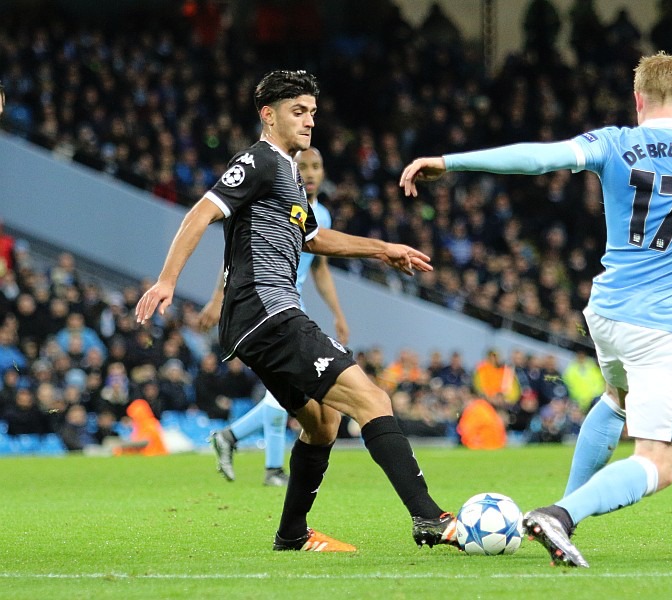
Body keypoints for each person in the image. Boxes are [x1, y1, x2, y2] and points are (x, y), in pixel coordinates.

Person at [400, 52, 672, 567]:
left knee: (616, 397)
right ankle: (560, 515)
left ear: (637, 100)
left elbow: (538, 158)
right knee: (660, 462)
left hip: (607, 311)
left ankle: (563, 516)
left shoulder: (614, 142)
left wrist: (450, 162)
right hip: (661, 327)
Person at [135, 70, 458, 553]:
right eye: (297, 111)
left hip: (255, 320)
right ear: (268, 115)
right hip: (268, 310)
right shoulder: (258, 160)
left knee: (322, 423)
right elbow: (201, 211)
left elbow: (314, 239)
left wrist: (382, 249)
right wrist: (167, 279)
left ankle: (291, 534)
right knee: (371, 399)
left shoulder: (288, 172)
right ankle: (428, 517)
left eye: (312, 112)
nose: (309, 121)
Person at [202, 146, 350, 488]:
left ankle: (235, 441)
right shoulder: (274, 201)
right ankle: (266, 465)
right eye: (304, 166)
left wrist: (338, 313)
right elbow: (235, 254)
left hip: (293, 309)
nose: (311, 173)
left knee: (287, 394)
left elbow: (320, 269)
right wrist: (216, 298)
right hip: (263, 307)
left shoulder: (321, 216)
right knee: (287, 394)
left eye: (317, 166)